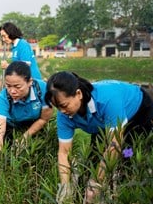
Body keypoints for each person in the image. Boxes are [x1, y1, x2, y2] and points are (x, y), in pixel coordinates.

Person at [45, 71, 153, 203]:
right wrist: (65, 186)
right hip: (103, 123)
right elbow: (64, 152)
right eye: (57, 107)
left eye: (64, 105)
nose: (61, 111)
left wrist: (96, 182)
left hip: (137, 111)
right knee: (91, 164)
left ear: (78, 94)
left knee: (127, 158)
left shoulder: (107, 100)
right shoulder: (64, 115)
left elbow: (114, 145)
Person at [0, 61, 53, 177]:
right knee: (7, 156)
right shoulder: (4, 97)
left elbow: (44, 119)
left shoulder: (42, 90)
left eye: (17, 87)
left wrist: (24, 137)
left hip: (36, 123)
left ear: (30, 82)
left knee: (38, 154)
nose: (12, 91)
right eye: (8, 86)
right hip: (11, 126)